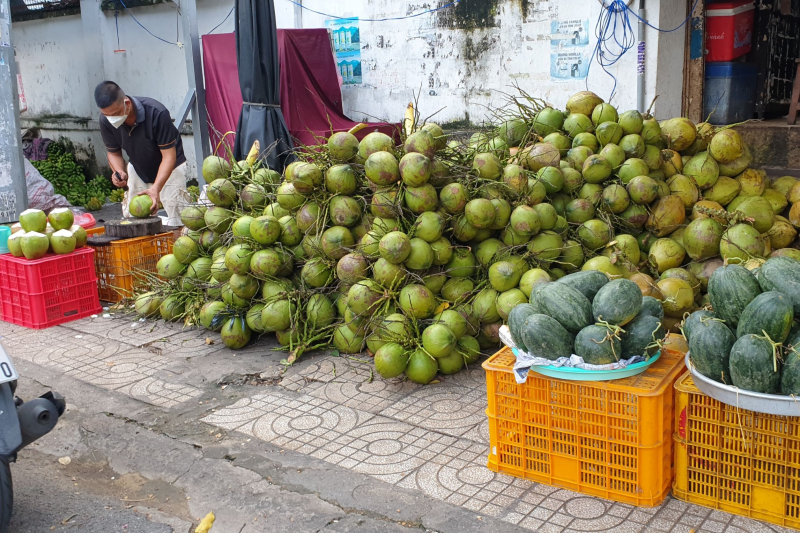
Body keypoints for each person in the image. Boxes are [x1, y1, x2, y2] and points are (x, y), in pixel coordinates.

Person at [94, 81, 188, 225]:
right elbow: (113, 152)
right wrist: (118, 171)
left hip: (170, 168)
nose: (112, 119)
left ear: (127, 103)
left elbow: (169, 157)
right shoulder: (106, 120)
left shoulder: (156, 113)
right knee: (134, 219)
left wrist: (155, 188)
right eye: (107, 115)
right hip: (138, 167)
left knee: (178, 220)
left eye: (115, 113)